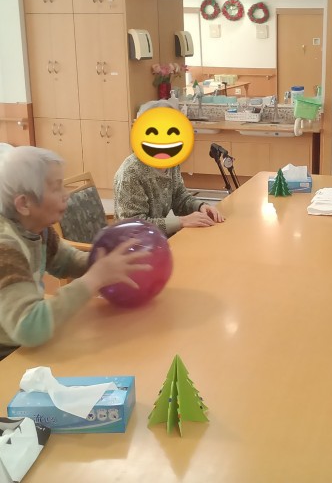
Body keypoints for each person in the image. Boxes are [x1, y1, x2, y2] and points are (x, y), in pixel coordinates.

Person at [0, 146, 151, 360]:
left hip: (25, 345)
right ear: (24, 203)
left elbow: (66, 261)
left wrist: (105, 263)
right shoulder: (5, 249)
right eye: (56, 188)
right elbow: (29, 327)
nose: (66, 194)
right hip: (8, 354)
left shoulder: (37, 229)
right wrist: (94, 278)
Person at [113, 100, 224, 237]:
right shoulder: (131, 173)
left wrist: (200, 206)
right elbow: (135, 227)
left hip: (160, 238)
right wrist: (181, 221)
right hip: (134, 244)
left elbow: (179, 197)